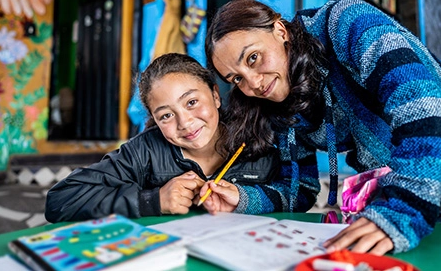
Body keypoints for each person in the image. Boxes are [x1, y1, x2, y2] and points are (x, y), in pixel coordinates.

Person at [204, 0, 441, 255]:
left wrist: (402, 209)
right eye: (236, 79)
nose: (253, 83)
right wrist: (243, 199)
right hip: (386, 160)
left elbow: (422, 102)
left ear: (280, 30)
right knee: (387, 254)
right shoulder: (272, 101)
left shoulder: (346, 21)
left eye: (253, 58)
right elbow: (298, 189)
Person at [45, 53, 312, 223]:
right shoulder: (145, 151)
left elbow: (302, 194)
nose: (185, 123)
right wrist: (153, 200)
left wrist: (247, 198)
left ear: (216, 96)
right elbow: (60, 200)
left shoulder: (259, 137)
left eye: (192, 102)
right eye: (165, 116)